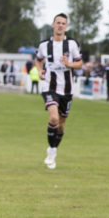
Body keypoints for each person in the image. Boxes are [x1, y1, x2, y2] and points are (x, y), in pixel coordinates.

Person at [35, 13, 83, 169]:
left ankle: (53, 149)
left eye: (63, 23)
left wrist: (68, 63)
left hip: (67, 90)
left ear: (66, 26)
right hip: (49, 86)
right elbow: (38, 59)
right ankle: (51, 151)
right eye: (58, 22)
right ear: (53, 25)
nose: (60, 25)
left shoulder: (72, 44)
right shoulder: (44, 45)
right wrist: (40, 70)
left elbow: (80, 64)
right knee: (54, 118)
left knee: (61, 124)